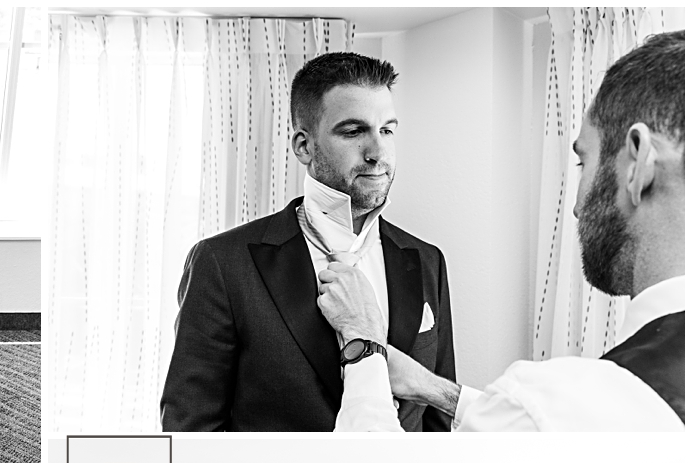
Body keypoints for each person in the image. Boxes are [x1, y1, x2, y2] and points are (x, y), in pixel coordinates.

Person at [326, 31, 683, 431]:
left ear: (639, 162)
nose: (577, 208)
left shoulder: (550, 405)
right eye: (354, 131)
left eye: (584, 163)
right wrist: (429, 387)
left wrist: (365, 342)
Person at [160, 52, 455, 432]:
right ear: (303, 146)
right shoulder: (222, 262)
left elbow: (438, 427)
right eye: (353, 132)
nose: (377, 153)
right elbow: (189, 431)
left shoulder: (427, 260)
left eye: (387, 130)